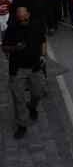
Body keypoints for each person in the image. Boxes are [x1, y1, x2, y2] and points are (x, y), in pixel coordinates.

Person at [2, 7, 47, 139]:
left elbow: (42, 41)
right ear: (17, 18)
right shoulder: (11, 29)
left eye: (25, 19)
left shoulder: (37, 26)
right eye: (21, 20)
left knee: (38, 92)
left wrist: (43, 55)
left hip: (35, 67)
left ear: (29, 14)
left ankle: (32, 106)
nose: (23, 22)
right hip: (17, 69)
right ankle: (21, 125)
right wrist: (15, 47)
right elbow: (4, 48)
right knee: (18, 98)